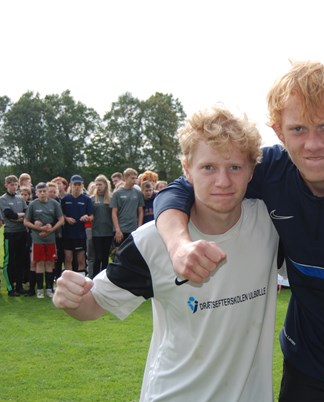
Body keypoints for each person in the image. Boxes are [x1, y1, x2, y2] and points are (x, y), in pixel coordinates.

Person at [154, 61, 324, 401]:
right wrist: (179, 245)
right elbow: (182, 187)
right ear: (278, 131)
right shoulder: (271, 172)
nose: (313, 144)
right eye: (299, 129)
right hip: (306, 369)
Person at [53, 106, 279, 401]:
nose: (222, 181)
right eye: (208, 167)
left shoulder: (270, 224)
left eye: (234, 167)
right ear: (187, 170)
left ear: (251, 171)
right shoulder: (152, 242)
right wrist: (70, 299)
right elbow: (93, 305)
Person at [24, 182, 64, 298]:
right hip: (37, 240)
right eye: (39, 192)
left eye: (44, 191)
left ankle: (49, 289)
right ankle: (40, 289)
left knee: (50, 263)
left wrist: (51, 230)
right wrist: (38, 228)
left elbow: (61, 220)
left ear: (48, 192)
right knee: (40, 263)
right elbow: (26, 222)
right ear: (36, 193)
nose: (42, 193)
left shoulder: (54, 204)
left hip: (51, 239)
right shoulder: (33, 205)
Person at [0, 175, 29, 296]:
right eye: (11, 184)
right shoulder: (3, 199)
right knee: (9, 261)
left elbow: (27, 214)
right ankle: (10, 288)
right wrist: (19, 217)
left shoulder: (20, 198)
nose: (14, 187)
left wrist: (19, 216)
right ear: (6, 185)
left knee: (21, 260)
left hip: (21, 233)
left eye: (15, 184)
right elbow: (10, 215)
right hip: (10, 233)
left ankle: (20, 286)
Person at [61, 175, 94, 276]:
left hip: (80, 234)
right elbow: (61, 215)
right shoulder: (65, 199)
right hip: (67, 233)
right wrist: (67, 219)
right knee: (68, 259)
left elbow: (92, 216)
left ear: (82, 185)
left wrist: (87, 217)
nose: (77, 187)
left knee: (81, 259)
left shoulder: (86, 199)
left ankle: (81, 281)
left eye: (79, 184)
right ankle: (68, 282)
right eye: (75, 184)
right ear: (70, 185)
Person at [110, 168, 143, 246]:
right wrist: (117, 230)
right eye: (132, 178)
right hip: (121, 229)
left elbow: (141, 212)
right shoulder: (117, 194)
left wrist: (139, 228)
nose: (134, 180)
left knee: (132, 253)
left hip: (134, 229)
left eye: (136, 178)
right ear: (125, 178)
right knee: (119, 253)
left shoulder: (138, 193)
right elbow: (114, 213)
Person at [90, 175, 114, 278]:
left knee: (105, 257)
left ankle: (104, 278)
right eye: (97, 185)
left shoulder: (111, 199)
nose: (98, 186)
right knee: (97, 257)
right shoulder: (91, 199)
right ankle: (95, 277)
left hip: (108, 231)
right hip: (96, 231)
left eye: (100, 184)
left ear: (105, 185)